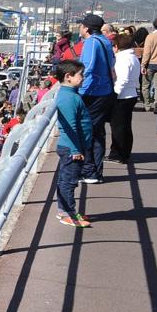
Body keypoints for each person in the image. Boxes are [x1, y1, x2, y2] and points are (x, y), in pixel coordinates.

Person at [54, 59, 93, 228]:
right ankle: (67, 213)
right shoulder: (68, 98)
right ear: (68, 77)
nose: (83, 78)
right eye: (81, 75)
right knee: (69, 181)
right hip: (72, 148)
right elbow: (70, 126)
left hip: (72, 146)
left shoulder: (70, 94)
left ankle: (65, 210)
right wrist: (76, 149)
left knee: (67, 179)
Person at [76, 14, 115, 184]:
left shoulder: (91, 42)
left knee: (87, 131)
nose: (80, 28)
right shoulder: (105, 41)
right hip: (105, 91)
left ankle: (89, 171)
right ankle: (96, 172)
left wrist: (78, 87)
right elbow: (111, 63)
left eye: (81, 25)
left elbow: (88, 67)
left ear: (87, 28)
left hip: (92, 92)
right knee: (98, 133)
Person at [109, 33, 140, 164]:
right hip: (131, 94)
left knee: (118, 127)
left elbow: (122, 79)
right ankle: (125, 152)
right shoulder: (133, 58)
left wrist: (114, 94)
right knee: (126, 126)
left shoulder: (122, 59)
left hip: (122, 96)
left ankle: (118, 154)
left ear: (117, 46)